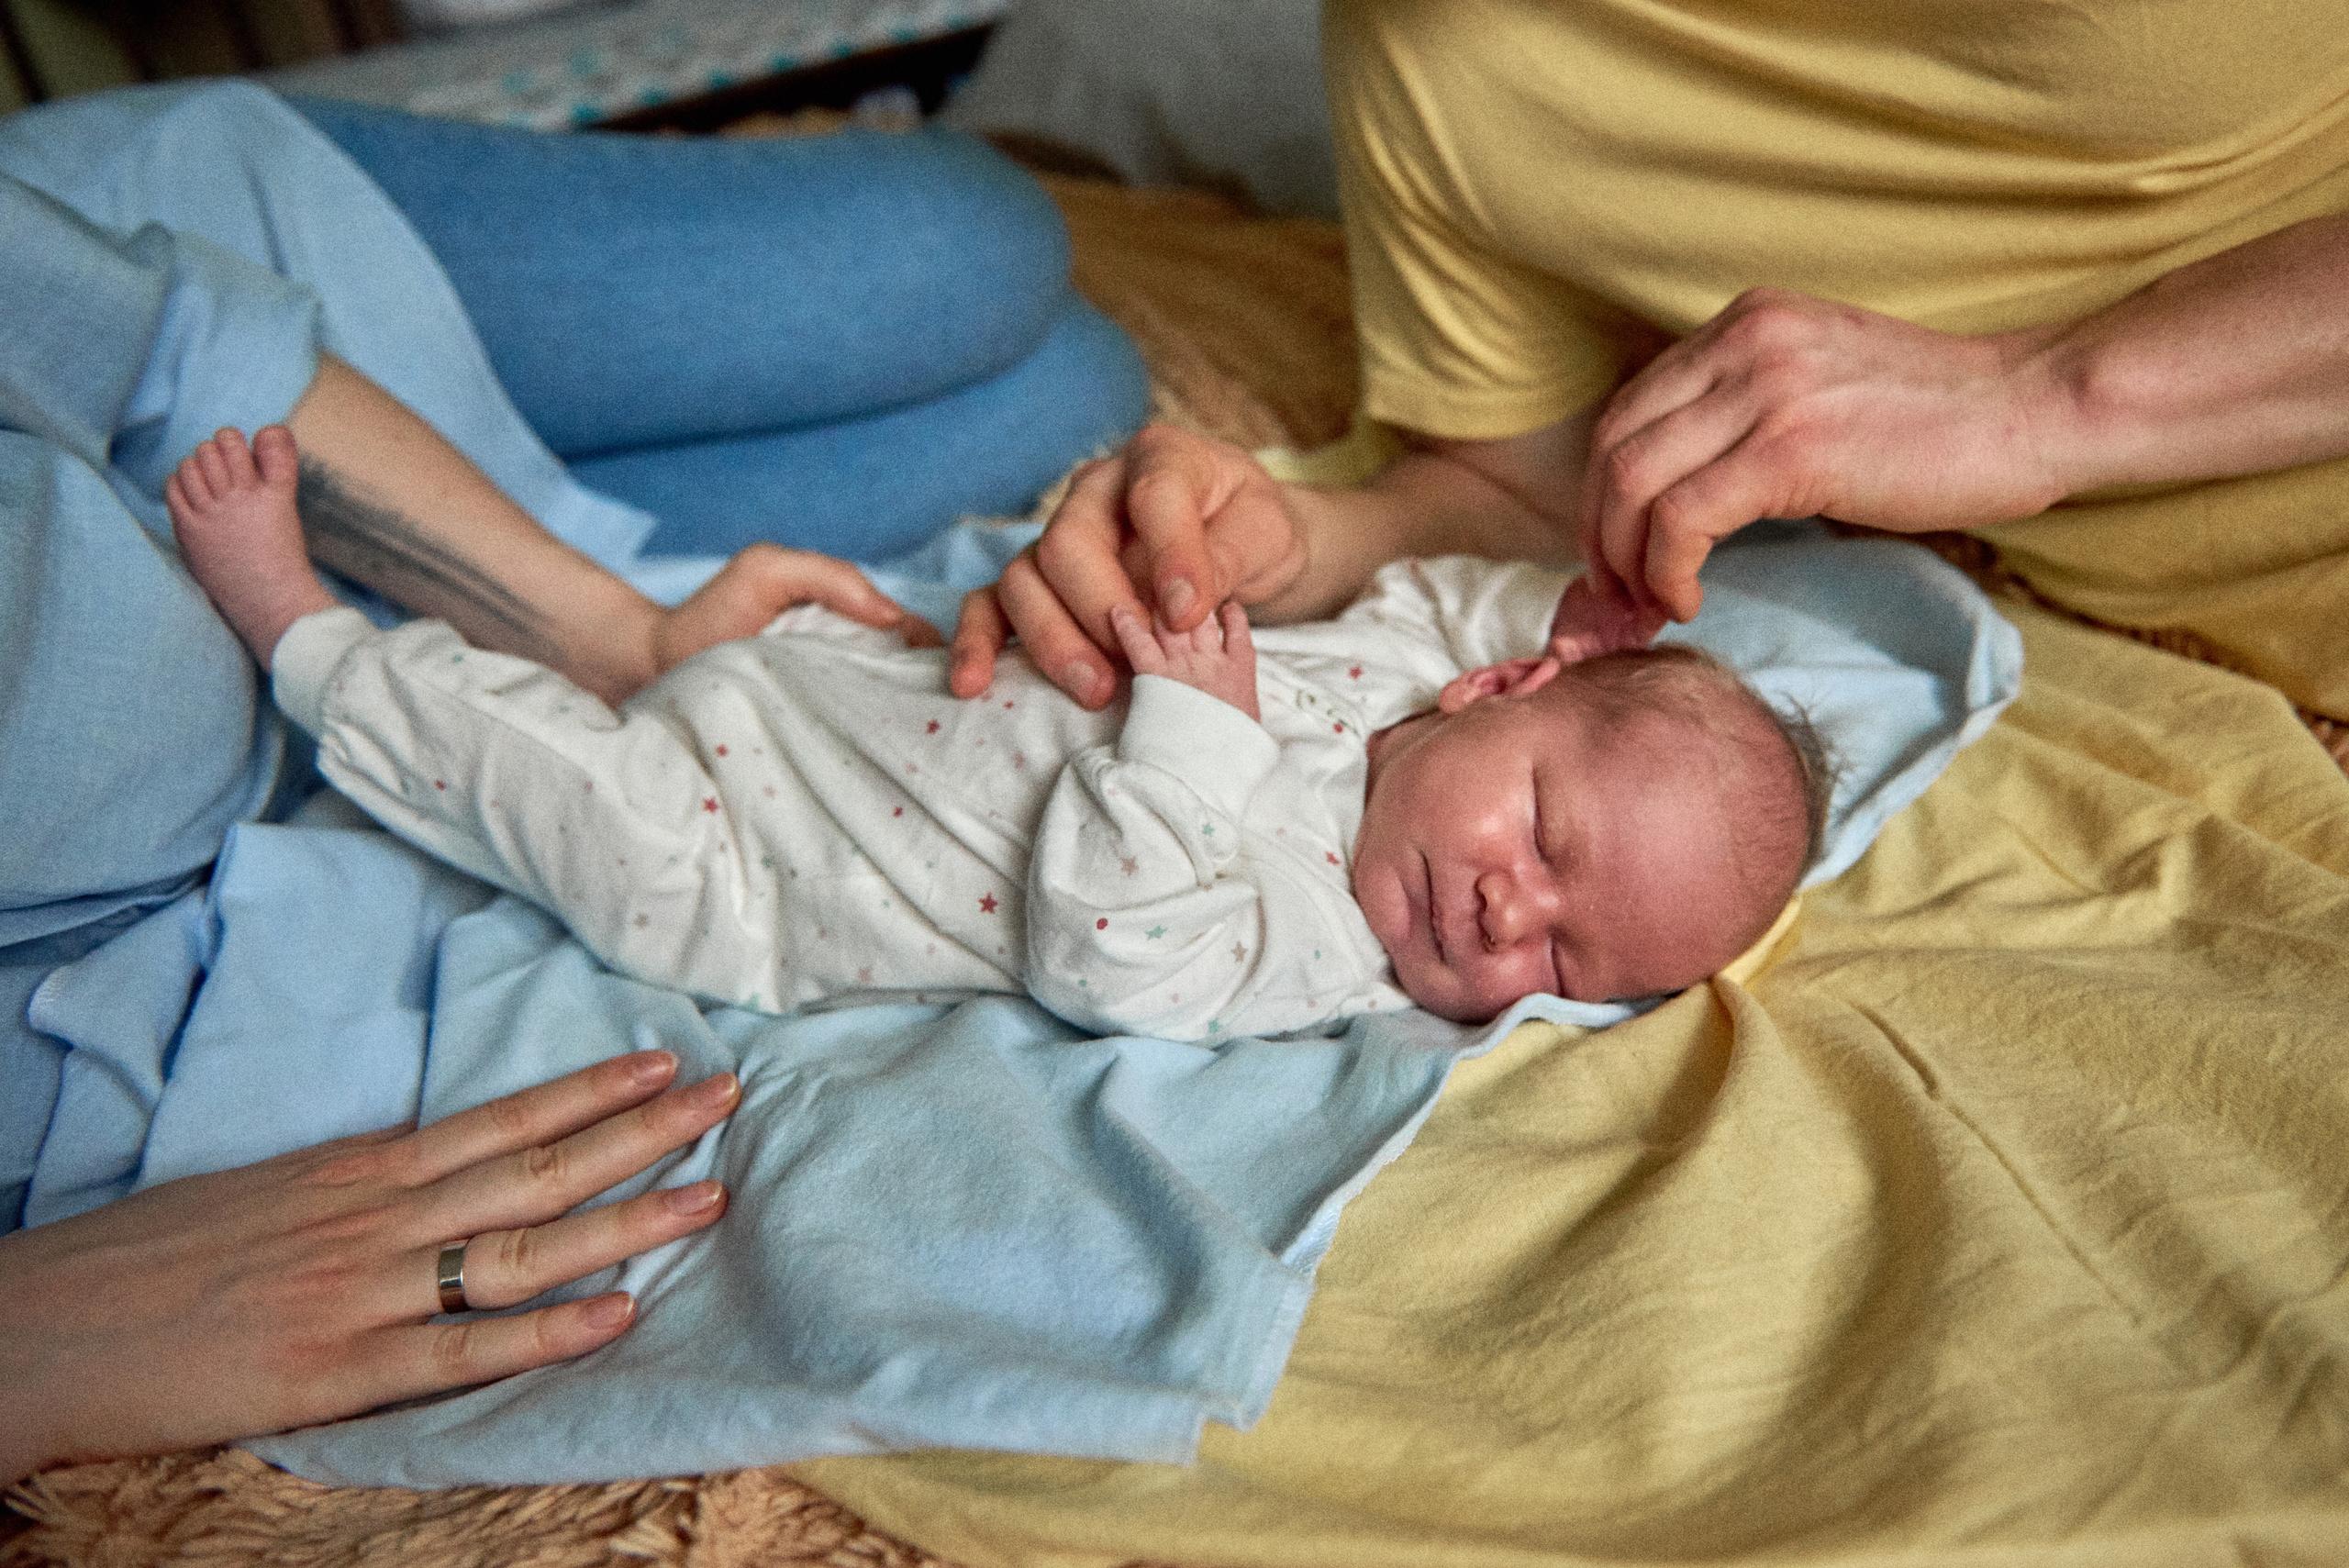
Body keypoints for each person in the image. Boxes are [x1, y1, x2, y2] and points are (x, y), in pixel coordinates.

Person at [0, 80, 1147, 1478]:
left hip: (318, 458)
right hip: (336, 767)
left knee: (991, 269)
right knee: (1068, 392)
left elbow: (162, 353)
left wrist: (617, 638)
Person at [945, 0, 2349, 734]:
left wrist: (2042, 397)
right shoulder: (1435, 50)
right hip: (2161, 673)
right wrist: (1304, 536)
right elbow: (1522, 491)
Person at [168, 424, 1826, 1039]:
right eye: (1545, 846)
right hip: (840, 693)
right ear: (1502, 700)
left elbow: (1119, 957)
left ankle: (304, 640)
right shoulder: (1409, 665)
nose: (1503, 919)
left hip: (750, 872)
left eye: (1568, 967)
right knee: (810, 610)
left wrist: (1190, 737)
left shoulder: (1322, 942)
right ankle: (591, 617)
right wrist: (1561, 617)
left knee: (534, 783)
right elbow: (1455, 604)